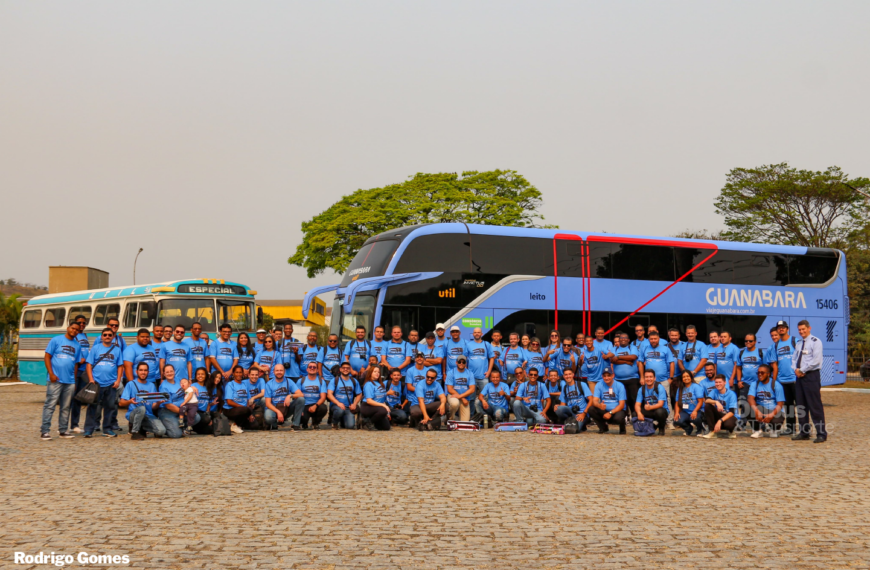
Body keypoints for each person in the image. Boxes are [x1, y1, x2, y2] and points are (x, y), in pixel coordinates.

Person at [40, 323, 82, 440]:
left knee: (66, 407)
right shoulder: (56, 340)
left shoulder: (77, 346)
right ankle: (45, 431)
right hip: (55, 379)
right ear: (68, 328)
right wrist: (51, 374)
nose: (74, 331)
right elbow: (47, 357)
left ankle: (63, 430)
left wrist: (73, 380)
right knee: (50, 405)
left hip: (69, 381)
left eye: (77, 330)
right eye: (72, 328)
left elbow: (75, 364)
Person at [83, 327, 124, 437]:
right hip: (96, 383)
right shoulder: (96, 348)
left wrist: (118, 380)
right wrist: (91, 379)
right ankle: (88, 429)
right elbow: (89, 365)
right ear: (101, 336)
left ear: (113, 337)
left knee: (110, 407)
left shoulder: (117, 350)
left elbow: (120, 366)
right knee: (92, 407)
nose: (107, 337)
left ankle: (107, 429)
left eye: (109, 335)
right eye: (105, 335)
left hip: (111, 383)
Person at [792, 320, 827, 442]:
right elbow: (794, 358)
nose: (801, 331)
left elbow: (816, 361)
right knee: (801, 406)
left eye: (803, 329)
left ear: (809, 328)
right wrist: (796, 369)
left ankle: (821, 433)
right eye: (799, 329)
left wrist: (802, 370)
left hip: (811, 376)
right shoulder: (798, 343)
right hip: (799, 377)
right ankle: (804, 432)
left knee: (814, 405)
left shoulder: (816, 342)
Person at [120, 362, 166, 440]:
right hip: (133, 414)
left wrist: (158, 403)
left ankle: (142, 428)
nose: (143, 372)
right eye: (141, 370)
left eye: (145, 370)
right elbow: (121, 403)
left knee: (161, 431)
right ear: (136, 372)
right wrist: (130, 401)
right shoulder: (130, 384)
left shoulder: (151, 385)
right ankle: (134, 432)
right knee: (141, 408)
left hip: (148, 415)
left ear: (148, 372)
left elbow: (153, 406)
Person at [770, 321, 798, 435]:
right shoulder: (776, 345)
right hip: (782, 381)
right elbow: (774, 365)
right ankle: (791, 428)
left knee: (801, 405)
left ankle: (804, 428)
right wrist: (774, 381)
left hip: (795, 380)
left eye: (783, 327)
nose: (781, 329)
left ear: (787, 329)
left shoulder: (795, 341)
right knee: (788, 406)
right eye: (779, 328)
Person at [264, 364, 305, 431]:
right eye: (277, 370)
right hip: (274, 408)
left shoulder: (289, 381)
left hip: (286, 408)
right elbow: (268, 403)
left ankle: (295, 424)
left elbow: (301, 394)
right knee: (268, 417)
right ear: (273, 372)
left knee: (301, 400)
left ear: (284, 371)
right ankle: (274, 425)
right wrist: (278, 412)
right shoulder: (269, 384)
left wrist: (290, 396)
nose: (279, 372)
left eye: (281, 370)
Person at [736, 333, 765, 428]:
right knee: (744, 403)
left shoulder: (760, 352)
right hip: (745, 383)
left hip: (758, 383)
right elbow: (739, 368)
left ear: (755, 342)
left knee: (759, 403)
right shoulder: (741, 353)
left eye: (750, 341)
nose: (748, 342)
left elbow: (765, 368)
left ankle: (762, 422)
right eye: (746, 341)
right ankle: (742, 423)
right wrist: (739, 381)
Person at [748, 364, 785, 439]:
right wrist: (757, 411)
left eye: (762, 372)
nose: (760, 374)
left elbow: (780, 404)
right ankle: (757, 430)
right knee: (746, 407)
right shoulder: (755, 384)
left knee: (776, 421)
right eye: (758, 372)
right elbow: (750, 398)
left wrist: (771, 415)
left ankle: (774, 429)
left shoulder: (776, 385)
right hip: (761, 409)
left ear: (768, 374)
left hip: (774, 410)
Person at [68, 315, 90, 433]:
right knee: (68, 398)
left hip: (84, 370)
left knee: (78, 398)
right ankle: (64, 424)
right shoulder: (73, 337)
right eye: (79, 322)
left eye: (84, 323)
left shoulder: (85, 336)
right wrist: (78, 359)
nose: (81, 325)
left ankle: (74, 424)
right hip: (74, 370)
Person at [222, 365, 260, 433]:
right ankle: (234, 424)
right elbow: (229, 402)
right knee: (246, 410)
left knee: (255, 425)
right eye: (237, 372)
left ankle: (236, 423)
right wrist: (243, 408)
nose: (239, 374)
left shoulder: (244, 385)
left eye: (240, 372)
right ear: (233, 374)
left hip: (243, 410)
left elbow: (248, 400)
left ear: (243, 373)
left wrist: (249, 414)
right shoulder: (230, 385)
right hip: (229, 409)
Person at [611, 332, 640, 420]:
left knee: (633, 399)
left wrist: (619, 357)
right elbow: (612, 360)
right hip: (618, 380)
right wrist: (626, 361)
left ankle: (635, 416)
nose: (623, 339)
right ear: (619, 340)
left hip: (633, 379)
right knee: (622, 399)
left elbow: (633, 357)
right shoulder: (614, 349)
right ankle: (625, 417)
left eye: (625, 337)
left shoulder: (633, 347)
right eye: (621, 337)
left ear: (628, 340)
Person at [700, 374, 738, 439]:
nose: (718, 384)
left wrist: (720, 421)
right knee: (708, 406)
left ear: (725, 383)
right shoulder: (714, 391)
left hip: (729, 416)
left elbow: (732, 412)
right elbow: (707, 400)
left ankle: (731, 431)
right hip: (719, 414)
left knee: (729, 424)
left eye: (720, 382)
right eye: (716, 382)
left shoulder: (732, 394)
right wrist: (716, 402)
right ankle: (712, 432)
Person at [589, 370, 627, 434]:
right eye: (604, 376)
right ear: (602, 376)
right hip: (605, 409)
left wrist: (610, 413)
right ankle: (603, 427)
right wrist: (599, 405)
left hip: (617, 410)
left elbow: (622, 405)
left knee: (618, 418)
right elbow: (594, 401)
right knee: (591, 409)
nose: (606, 378)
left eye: (609, 375)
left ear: (613, 375)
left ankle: (622, 428)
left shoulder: (620, 385)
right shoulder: (599, 384)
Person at [327, 361, 362, 430]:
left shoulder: (354, 381)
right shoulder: (334, 380)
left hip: (348, 407)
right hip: (336, 406)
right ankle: (334, 423)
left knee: (350, 426)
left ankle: (342, 420)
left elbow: (359, 394)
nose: (345, 369)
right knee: (340, 411)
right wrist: (338, 403)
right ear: (340, 369)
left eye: (347, 368)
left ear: (350, 369)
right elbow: (329, 394)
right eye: (344, 368)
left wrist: (354, 404)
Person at [154, 364, 185, 438]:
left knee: (196, 417)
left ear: (174, 371)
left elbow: (187, 388)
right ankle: (164, 426)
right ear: (164, 374)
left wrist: (193, 388)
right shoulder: (163, 386)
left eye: (171, 371)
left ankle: (176, 426)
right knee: (176, 435)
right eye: (167, 372)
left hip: (179, 409)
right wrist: (183, 412)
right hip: (167, 411)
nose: (170, 373)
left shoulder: (179, 380)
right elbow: (168, 406)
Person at [634, 370, 669, 435]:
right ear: (644, 378)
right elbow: (637, 404)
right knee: (635, 413)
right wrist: (639, 413)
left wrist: (650, 407)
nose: (649, 379)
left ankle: (661, 428)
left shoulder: (660, 387)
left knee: (660, 412)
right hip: (649, 410)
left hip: (660, 410)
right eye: (646, 377)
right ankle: (649, 426)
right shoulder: (641, 389)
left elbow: (660, 404)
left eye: (651, 377)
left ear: (654, 378)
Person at [673, 370, 705, 436]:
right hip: (686, 411)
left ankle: (700, 429)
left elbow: (700, 401)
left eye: (687, 376)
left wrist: (695, 411)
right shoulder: (680, 388)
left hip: (697, 410)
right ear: (682, 379)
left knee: (694, 418)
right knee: (676, 420)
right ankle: (688, 428)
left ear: (691, 377)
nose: (686, 378)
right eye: (684, 377)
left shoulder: (696, 387)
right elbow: (677, 402)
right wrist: (676, 413)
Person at [466, 327, 495, 397]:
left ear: (481, 334)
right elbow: (464, 359)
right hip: (471, 377)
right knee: (471, 398)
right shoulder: (468, 345)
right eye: (475, 332)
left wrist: (489, 371)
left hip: (484, 376)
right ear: (473, 334)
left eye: (478, 332)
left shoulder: (486, 344)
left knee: (486, 397)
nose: (477, 334)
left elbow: (492, 358)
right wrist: (466, 371)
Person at [298, 362, 328, 429]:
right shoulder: (301, 381)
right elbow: (297, 396)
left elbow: (323, 397)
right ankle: (304, 423)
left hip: (316, 405)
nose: (312, 368)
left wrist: (315, 406)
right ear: (307, 369)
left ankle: (315, 423)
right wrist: (299, 409)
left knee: (323, 408)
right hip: (304, 405)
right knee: (302, 418)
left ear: (317, 370)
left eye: (314, 367)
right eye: (310, 367)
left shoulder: (321, 381)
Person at [446, 355, 476, 420]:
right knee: (455, 403)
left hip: (465, 398)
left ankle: (457, 418)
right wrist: (462, 398)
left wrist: (461, 397)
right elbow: (450, 389)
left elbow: (472, 389)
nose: (461, 364)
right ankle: (450, 418)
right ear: (456, 362)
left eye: (463, 362)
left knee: (465, 422)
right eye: (459, 362)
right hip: (453, 396)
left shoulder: (470, 373)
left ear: (466, 363)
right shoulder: (451, 373)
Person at [189, 367, 215, 434]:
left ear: (206, 375)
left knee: (210, 429)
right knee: (206, 419)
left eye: (202, 374)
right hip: (195, 412)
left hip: (203, 413)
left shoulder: (208, 387)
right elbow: (186, 396)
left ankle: (194, 429)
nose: (200, 376)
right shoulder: (193, 386)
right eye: (198, 374)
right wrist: (190, 388)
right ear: (196, 376)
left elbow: (208, 403)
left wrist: (208, 415)